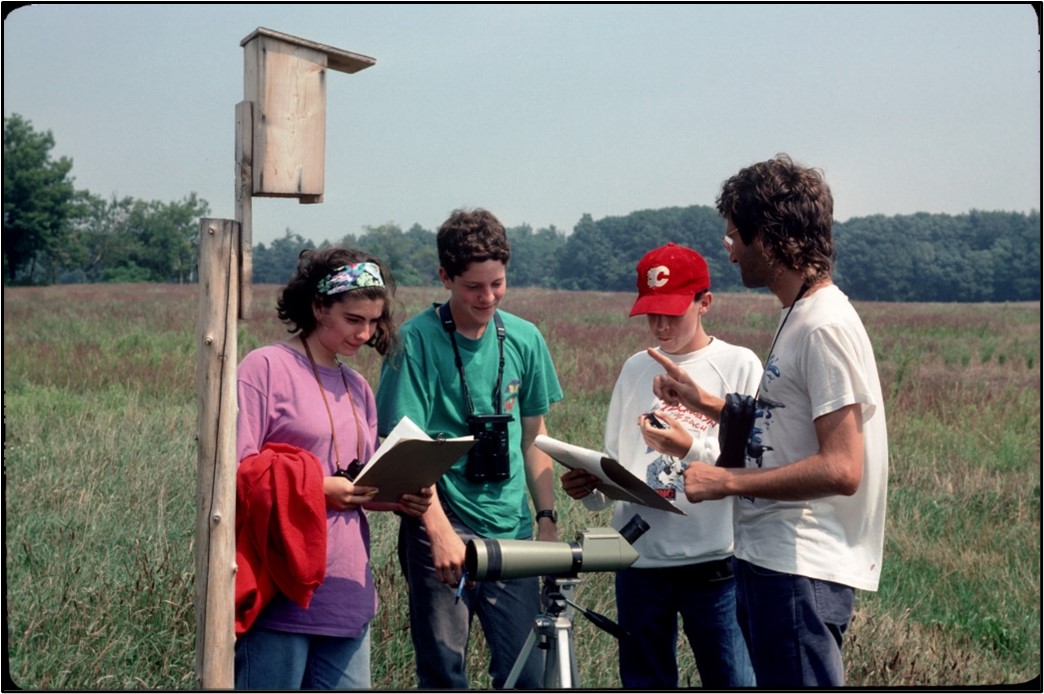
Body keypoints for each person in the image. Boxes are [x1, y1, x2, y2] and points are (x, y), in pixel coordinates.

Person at [648, 154, 888, 687]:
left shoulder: (824, 325)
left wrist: (725, 479)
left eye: (735, 235)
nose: (728, 250)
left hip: (799, 567)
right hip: (769, 560)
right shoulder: (798, 315)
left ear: (772, 238)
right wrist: (707, 402)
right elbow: (787, 424)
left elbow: (843, 467)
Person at [375, 208, 564, 689]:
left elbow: (533, 436)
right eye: (473, 287)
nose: (488, 297)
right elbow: (406, 445)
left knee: (528, 672)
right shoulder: (415, 340)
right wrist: (438, 531)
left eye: (497, 284)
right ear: (445, 277)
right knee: (444, 668)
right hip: (441, 517)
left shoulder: (524, 337)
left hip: (513, 525)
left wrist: (546, 519)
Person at [560, 242, 759, 689]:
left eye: (673, 312)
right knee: (645, 681)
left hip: (715, 561)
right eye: (652, 313)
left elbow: (752, 466)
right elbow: (618, 462)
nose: (661, 325)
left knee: (732, 679)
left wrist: (690, 447)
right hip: (638, 561)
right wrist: (590, 485)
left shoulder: (738, 365)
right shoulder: (634, 369)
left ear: (704, 302)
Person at [234, 247, 433, 690]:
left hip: (347, 592)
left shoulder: (359, 386)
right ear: (319, 307)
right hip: (281, 588)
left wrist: (398, 496)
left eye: (374, 321)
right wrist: (319, 489)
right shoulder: (264, 368)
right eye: (353, 319)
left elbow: (355, 481)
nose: (365, 333)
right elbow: (237, 473)